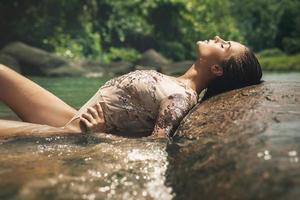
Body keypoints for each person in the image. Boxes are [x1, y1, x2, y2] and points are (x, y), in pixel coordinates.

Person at [0, 36, 262, 139]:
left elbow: (154, 145)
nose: (218, 38)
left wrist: (96, 136)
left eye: (224, 45)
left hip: (69, 129)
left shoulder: (180, 98)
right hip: (70, 115)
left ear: (217, 69)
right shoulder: (176, 84)